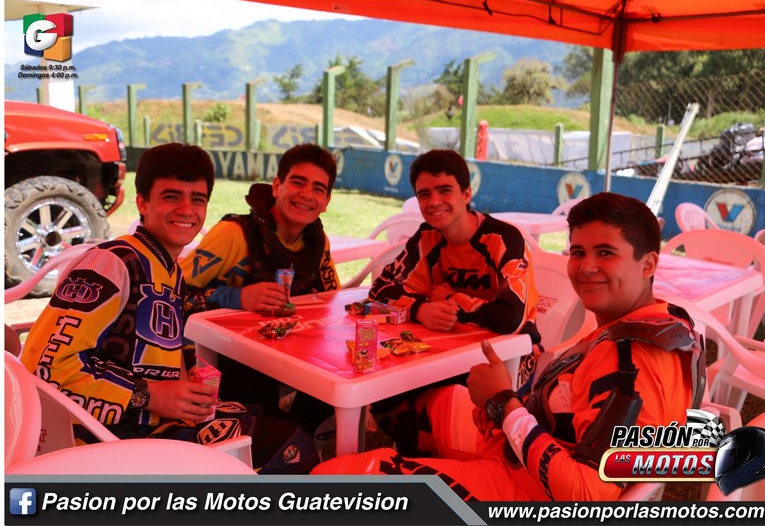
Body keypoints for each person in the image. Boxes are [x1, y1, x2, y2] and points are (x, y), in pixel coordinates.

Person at [313, 192, 706, 500]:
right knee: (439, 402)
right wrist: (507, 408)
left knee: (328, 482)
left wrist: (505, 405)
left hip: (530, 491)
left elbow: (587, 494)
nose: (586, 267)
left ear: (648, 264)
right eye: (578, 252)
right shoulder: (661, 321)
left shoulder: (632, 359)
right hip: (532, 449)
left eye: (606, 253)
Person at [21, 143, 319, 474]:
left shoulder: (169, 269)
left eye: (198, 199)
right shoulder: (112, 263)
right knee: (295, 446)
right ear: (142, 203)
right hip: (112, 442)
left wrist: (183, 384)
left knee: (273, 414)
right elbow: (43, 367)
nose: (187, 210)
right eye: (172, 196)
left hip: (154, 421)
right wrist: (148, 395)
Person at [366, 149, 542, 455]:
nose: (434, 201)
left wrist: (450, 298)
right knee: (384, 394)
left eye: (444, 190)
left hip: (510, 358)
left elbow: (510, 317)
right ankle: (419, 457)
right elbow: (379, 290)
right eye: (424, 194)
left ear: (466, 194)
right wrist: (421, 308)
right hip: (445, 349)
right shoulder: (427, 237)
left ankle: (441, 455)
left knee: (428, 399)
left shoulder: (504, 238)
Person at [180, 143, 339, 440]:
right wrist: (236, 297)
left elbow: (334, 301)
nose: (307, 194)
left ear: (326, 201)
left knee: (335, 375)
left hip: (289, 352)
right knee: (256, 390)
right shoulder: (233, 234)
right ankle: (275, 440)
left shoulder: (319, 242)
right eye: (298, 182)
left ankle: (298, 435)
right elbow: (171, 295)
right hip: (222, 358)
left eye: (318, 188)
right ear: (277, 186)